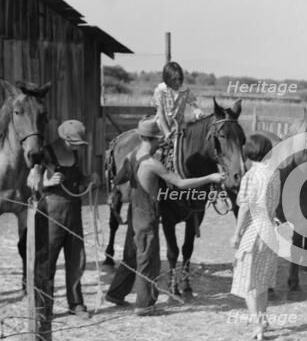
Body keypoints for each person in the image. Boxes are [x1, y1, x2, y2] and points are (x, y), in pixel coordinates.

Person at [105, 119, 225, 315]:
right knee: (148, 260)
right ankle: (145, 305)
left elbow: (119, 180)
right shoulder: (152, 164)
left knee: (130, 256)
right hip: (146, 215)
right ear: (152, 140)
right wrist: (210, 178)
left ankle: (115, 294)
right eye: (159, 140)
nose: (161, 144)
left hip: (133, 211)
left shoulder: (130, 155)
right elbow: (180, 183)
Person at [28, 120, 99, 319]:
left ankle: (76, 304)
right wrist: (46, 181)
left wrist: (89, 179)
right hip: (51, 214)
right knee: (47, 262)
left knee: (77, 260)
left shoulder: (75, 154)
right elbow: (30, 181)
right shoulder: (44, 154)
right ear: (64, 138)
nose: (77, 147)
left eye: (79, 144)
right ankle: (42, 307)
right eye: (74, 143)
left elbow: (79, 179)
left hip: (74, 214)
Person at [229, 134, 280, 341]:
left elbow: (244, 207)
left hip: (254, 230)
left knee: (248, 283)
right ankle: (264, 318)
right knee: (262, 280)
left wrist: (236, 233)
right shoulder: (275, 174)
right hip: (271, 229)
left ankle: (257, 325)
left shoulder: (251, 176)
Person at [152, 61, 204, 139]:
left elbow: (194, 106)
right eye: (174, 79)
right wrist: (167, 133)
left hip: (179, 127)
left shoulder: (185, 90)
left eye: (179, 79)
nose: (178, 82)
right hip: (161, 126)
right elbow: (161, 114)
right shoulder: (160, 91)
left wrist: (198, 113)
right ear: (167, 78)